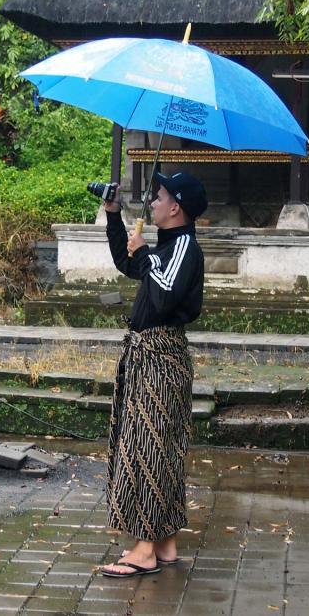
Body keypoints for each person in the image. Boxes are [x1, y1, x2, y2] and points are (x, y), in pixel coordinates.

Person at [98, 171, 207, 578]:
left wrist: (144, 254)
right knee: (158, 447)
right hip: (149, 358)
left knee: (145, 449)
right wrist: (113, 216)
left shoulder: (184, 248)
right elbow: (130, 264)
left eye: (158, 197)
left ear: (176, 206)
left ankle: (143, 549)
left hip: (161, 360)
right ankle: (164, 543)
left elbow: (161, 293)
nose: (153, 202)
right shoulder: (167, 248)